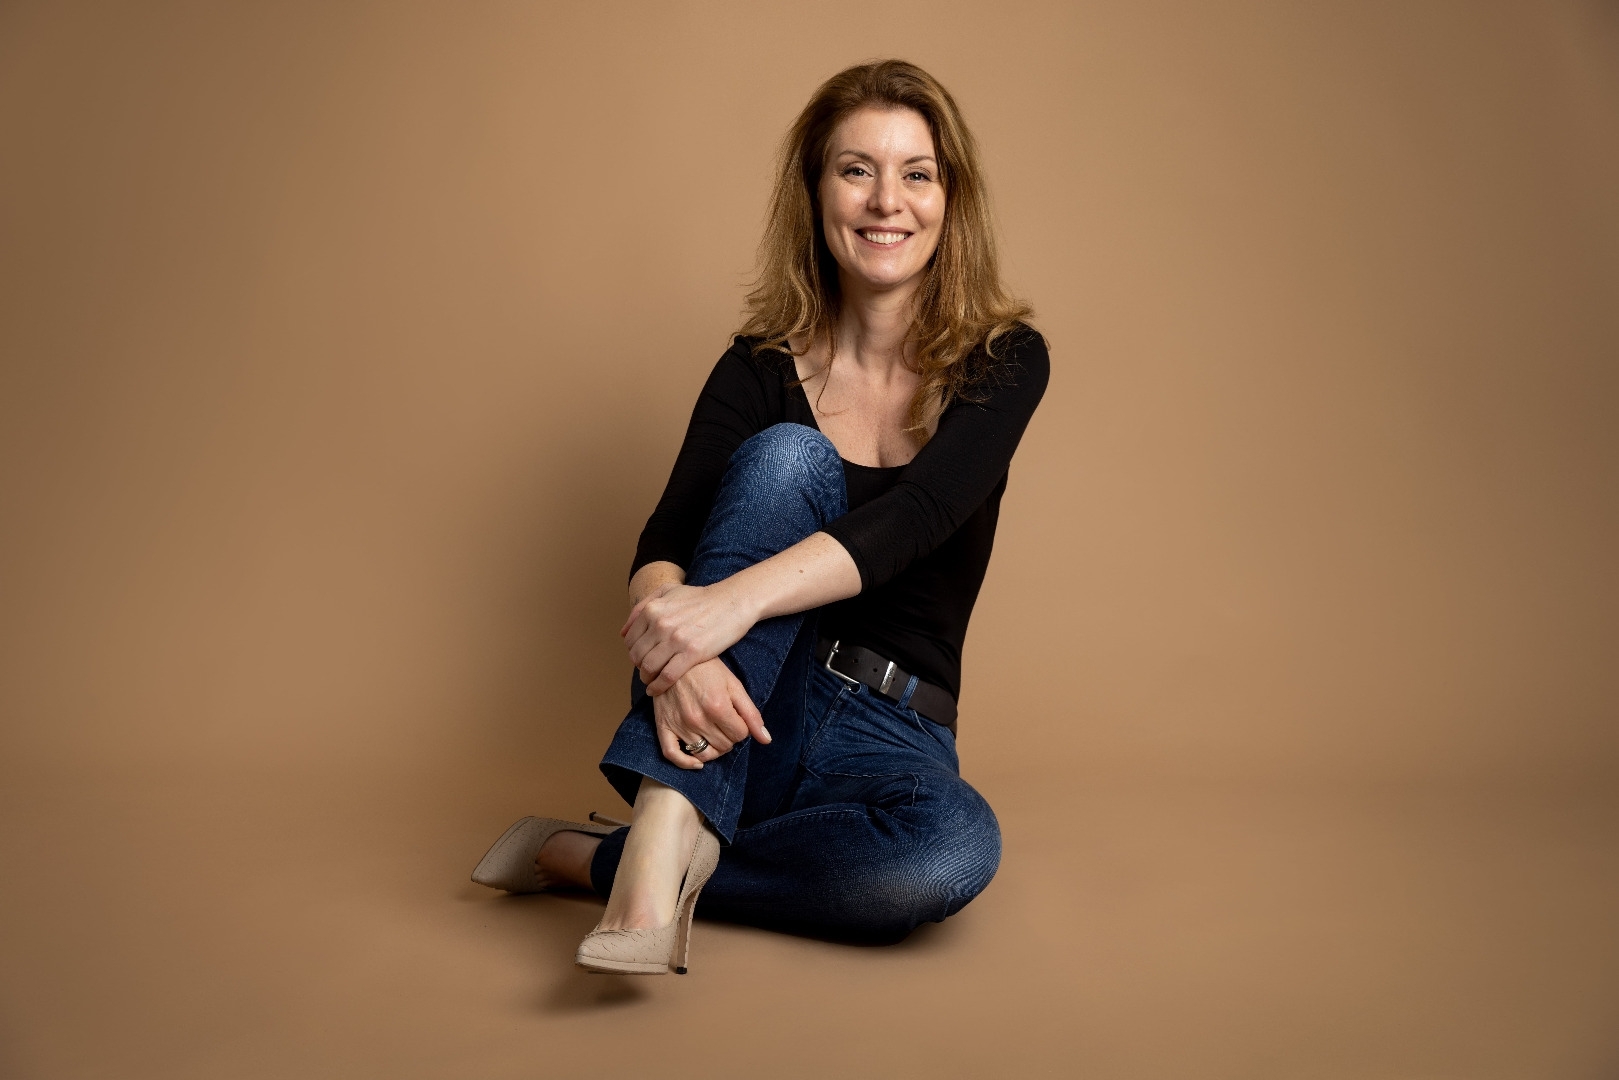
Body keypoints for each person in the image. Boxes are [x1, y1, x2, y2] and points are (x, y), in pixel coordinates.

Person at [471, 58, 1048, 975]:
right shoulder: (757, 366)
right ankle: (656, 855)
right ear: (815, 193)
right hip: (740, 706)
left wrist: (725, 607)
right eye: (855, 170)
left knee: (947, 851)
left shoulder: (1003, 360)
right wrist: (685, 656)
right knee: (788, 457)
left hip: (892, 736)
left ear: (951, 199)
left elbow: (918, 515)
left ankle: (598, 859)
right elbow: (662, 546)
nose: (886, 200)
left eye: (916, 173)